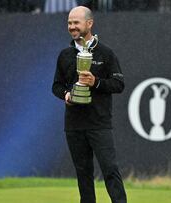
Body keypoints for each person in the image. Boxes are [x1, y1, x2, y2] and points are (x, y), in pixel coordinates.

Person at [52, 6, 127, 203]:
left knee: (110, 170)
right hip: (74, 125)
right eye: (69, 23)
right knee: (83, 174)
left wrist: (96, 82)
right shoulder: (65, 55)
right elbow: (56, 86)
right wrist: (67, 95)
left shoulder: (106, 53)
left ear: (89, 23)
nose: (72, 27)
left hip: (99, 123)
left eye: (76, 22)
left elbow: (119, 84)